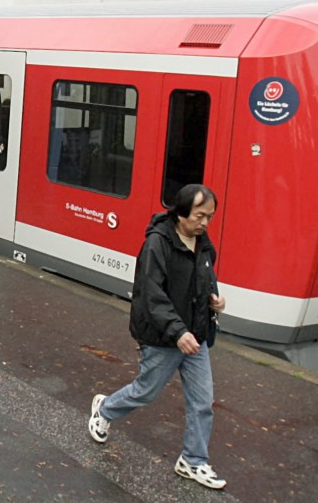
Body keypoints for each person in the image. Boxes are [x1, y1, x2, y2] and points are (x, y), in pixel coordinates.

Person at [89, 184, 228, 491]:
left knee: (202, 402)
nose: (205, 223)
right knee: (145, 392)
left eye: (210, 217)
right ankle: (105, 409)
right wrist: (178, 332)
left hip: (196, 337)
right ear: (181, 212)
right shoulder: (157, 244)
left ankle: (192, 460)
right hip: (163, 339)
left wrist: (214, 298)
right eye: (200, 216)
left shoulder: (203, 242)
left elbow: (205, 275)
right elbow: (152, 295)